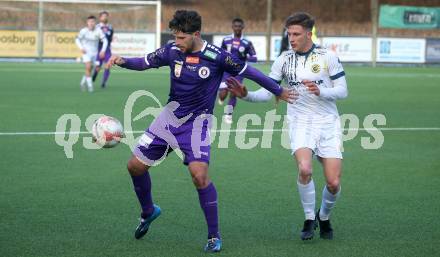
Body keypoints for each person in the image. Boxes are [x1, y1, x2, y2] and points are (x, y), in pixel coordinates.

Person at [107, 10, 294, 252]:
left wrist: (278, 91)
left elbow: (251, 72)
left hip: (197, 124)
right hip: (168, 119)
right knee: (134, 166)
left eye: (182, 38)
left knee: (199, 175)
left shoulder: (216, 56)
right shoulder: (171, 51)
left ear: (196, 34)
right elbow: (143, 63)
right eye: (175, 37)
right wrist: (123, 61)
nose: (177, 42)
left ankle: (213, 236)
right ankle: (148, 211)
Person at [226, 12, 348, 241]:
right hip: (299, 122)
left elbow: (343, 90)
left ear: (308, 33)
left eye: (296, 34)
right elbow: (268, 92)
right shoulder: (283, 59)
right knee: (305, 169)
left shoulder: (327, 57)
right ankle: (309, 218)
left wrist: (321, 91)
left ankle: (324, 216)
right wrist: (246, 95)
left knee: (333, 183)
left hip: (328, 123)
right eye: (289, 33)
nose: (291, 38)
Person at [218, 18, 258, 124]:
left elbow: (254, 57)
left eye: (239, 26)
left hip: (239, 71)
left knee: (234, 92)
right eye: (235, 26)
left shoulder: (247, 43)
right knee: (223, 94)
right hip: (226, 70)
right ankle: (221, 97)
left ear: (242, 27)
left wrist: (245, 57)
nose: (237, 28)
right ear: (232, 27)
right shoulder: (226, 40)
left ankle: (228, 115)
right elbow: (220, 53)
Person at [75, 15, 107, 92]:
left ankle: (83, 82)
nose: (91, 23)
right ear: (87, 22)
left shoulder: (98, 30)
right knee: (88, 67)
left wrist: (103, 50)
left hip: (95, 53)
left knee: (91, 69)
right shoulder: (83, 31)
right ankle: (90, 87)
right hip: (86, 53)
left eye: (93, 22)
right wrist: (81, 48)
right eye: (90, 22)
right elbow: (77, 40)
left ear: (95, 22)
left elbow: (105, 41)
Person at [92, 11, 114, 88]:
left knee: (108, 65)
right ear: (100, 18)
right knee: (98, 67)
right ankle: (93, 78)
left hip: (107, 50)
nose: (105, 18)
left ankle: (103, 83)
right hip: (99, 49)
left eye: (106, 16)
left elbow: (110, 39)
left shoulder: (110, 27)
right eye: (103, 16)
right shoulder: (97, 27)